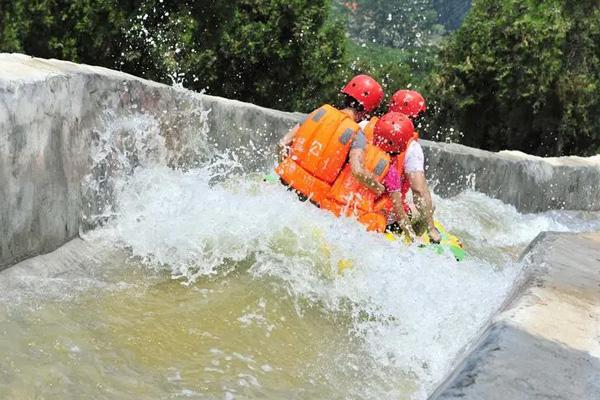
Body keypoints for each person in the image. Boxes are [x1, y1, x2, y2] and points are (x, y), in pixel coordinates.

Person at [320, 112, 441, 243]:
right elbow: (400, 214)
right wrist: (412, 238)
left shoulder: (356, 150)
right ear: (401, 145)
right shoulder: (391, 171)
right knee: (427, 208)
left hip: (331, 208)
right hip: (363, 221)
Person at [275, 74, 384, 205]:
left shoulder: (320, 112)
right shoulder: (357, 134)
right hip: (310, 200)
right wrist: (378, 188)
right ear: (367, 110)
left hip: (284, 183)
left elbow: (283, 144)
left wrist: (286, 171)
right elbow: (357, 171)